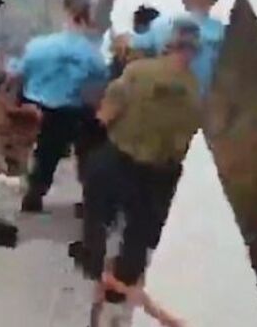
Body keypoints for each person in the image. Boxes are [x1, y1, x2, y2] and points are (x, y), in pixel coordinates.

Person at [79, 19, 202, 315]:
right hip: (160, 172)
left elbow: (106, 115)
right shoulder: (196, 91)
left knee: (98, 211)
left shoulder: (137, 73)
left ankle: (93, 263)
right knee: (139, 229)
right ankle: (121, 283)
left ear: (167, 45)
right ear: (193, 53)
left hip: (120, 159)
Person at [112, 0, 224, 248]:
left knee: (146, 164)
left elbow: (133, 47)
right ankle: (172, 225)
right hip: (199, 114)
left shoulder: (167, 25)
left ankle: (140, 226)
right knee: (180, 170)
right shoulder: (224, 35)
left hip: (160, 109)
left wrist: (121, 40)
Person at [3, 0, 109, 213]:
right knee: (53, 152)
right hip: (68, 109)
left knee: (27, 145)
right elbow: (99, 84)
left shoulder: (39, 45)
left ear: (63, 11)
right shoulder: (92, 54)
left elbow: (18, 73)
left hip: (33, 104)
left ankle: (25, 185)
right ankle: (39, 190)